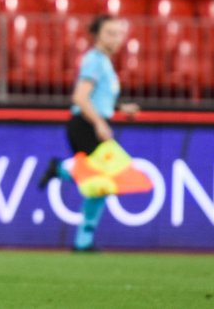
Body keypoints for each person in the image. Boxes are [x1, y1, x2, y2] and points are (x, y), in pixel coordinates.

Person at [37, 14, 141, 252]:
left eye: (118, 34)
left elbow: (99, 98)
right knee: (103, 180)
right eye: (109, 33)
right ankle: (83, 239)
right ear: (96, 35)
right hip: (85, 124)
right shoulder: (95, 60)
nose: (115, 39)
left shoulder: (103, 62)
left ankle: (61, 170)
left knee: (99, 181)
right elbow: (80, 98)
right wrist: (99, 124)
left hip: (89, 122)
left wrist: (121, 108)